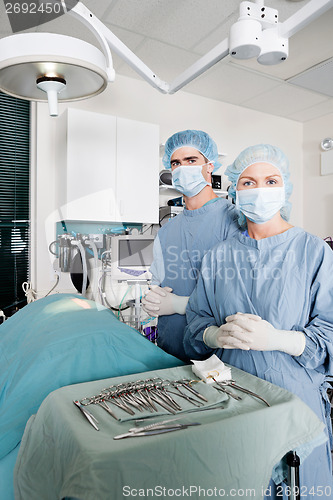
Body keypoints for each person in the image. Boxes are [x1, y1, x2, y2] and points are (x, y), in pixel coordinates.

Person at [183, 144, 333, 498]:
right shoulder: (218, 257)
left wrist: (282, 340)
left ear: (285, 189)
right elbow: (195, 322)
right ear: (234, 191)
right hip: (234, 402)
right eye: (248, 183)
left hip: (296, 406)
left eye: (271, 180)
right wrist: (214, 335)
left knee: (300, 488)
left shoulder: (314, 252)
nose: (260, 189)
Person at [142, 130, 239, 361]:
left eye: (191, 160)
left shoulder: (234, 221)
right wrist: (153, 301)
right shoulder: (166, 232)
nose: (182, 168)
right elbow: (159, 283)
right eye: (176, 163)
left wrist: (179, 305)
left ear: (209, 166)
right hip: (171, 349)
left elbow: (238, 297)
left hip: (217, 355)